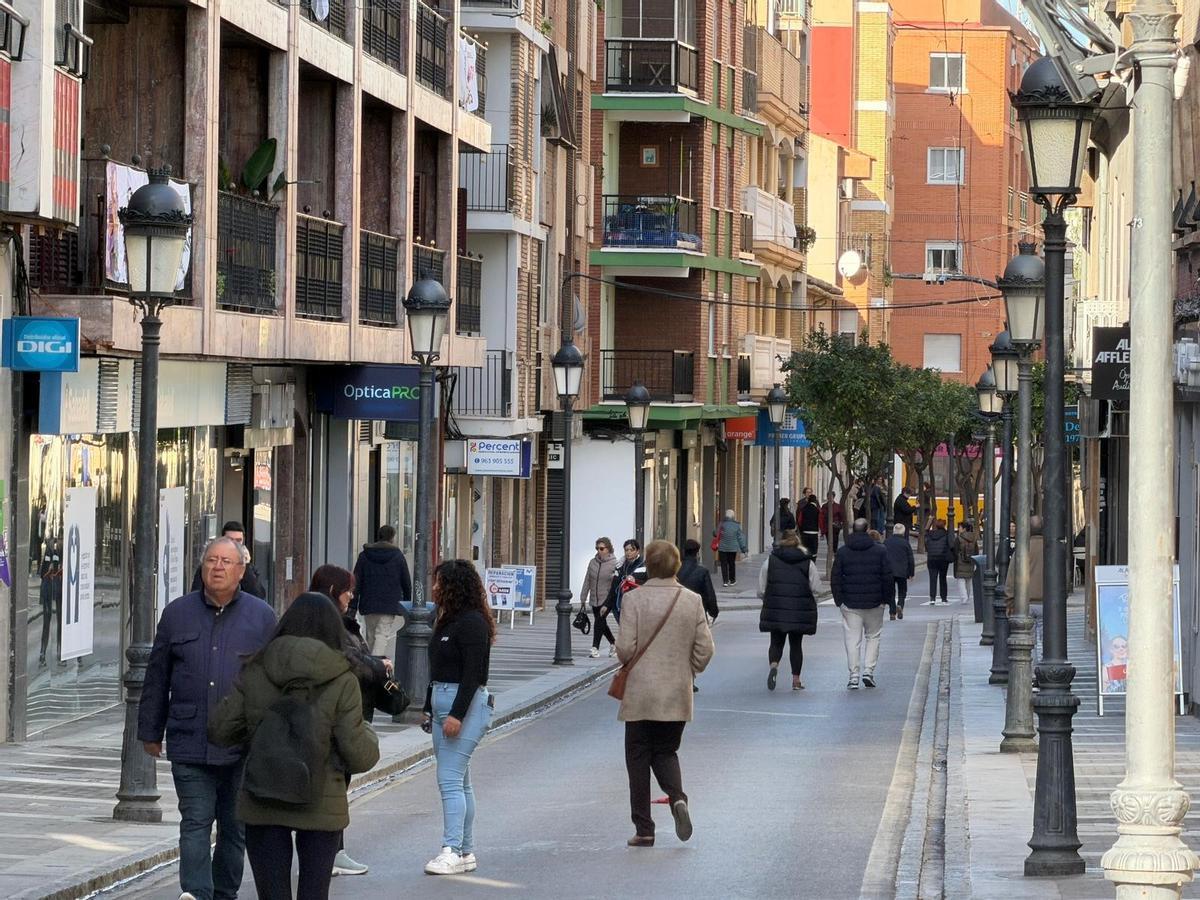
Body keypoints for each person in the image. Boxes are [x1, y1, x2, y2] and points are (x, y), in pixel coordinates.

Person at [208, 593, 380, 900]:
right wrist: (367, 732)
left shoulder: (257, 669)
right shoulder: (343, 678)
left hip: (264, 793)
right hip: (322, 800)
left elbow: (220, 730)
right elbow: (359, 754)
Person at [139, 536, 277, 900]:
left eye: (225, 562)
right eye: (211, 561)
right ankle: (196, 893)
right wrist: (150, 731)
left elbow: (275, 680)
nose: (217, 567)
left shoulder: (262, 617)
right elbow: (157, 676)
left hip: (242, 744)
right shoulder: (177, 613)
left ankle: (223, 892)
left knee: (234, 827)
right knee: (196, 821)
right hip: (190, 737)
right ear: (202, 567)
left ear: (241, 570)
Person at [616, 540, 715, 847]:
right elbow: (705, 649)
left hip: (640, 693)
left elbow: (624, 649)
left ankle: (644, 829)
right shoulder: (692, 600)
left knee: (637, 758)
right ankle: (677, 798)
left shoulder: (634, 600)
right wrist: (689, 669)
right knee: (666, 751)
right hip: (676, 691)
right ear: (676, 566)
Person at [309, 565, 391, 878]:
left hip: (348, 714)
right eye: (347, 590)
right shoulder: (329, 625)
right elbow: (348, 662)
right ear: (333, 591)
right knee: (333, 786)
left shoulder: (341, 622)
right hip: (335, 718)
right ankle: (331, 852)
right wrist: (378, 666)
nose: (351, 595)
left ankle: (332, 850)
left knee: (336, 785)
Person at [421, 560, 497, 876]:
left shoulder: (472, 623)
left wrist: (456, 715)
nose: (434, 587)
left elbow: (473, 675)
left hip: (463, 707)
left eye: (439, 582)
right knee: (460, 781)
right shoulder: (447, 621)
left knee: (449, 780)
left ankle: (450, 849)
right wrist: (428, 707)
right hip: (442, 704)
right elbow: (436, 669)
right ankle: (465, 852)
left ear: (453, 586)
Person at [831, 519, 892, 689]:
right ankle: (869, 671)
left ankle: (853, 675)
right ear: (867, 530)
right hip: (874, 601)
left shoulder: (843, 552)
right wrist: (886, 600)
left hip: (850, 603)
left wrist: (839, 600)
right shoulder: (880, 551)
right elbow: (887, 576)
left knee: (852, 639)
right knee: (873, 636)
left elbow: (835, 577)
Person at [757, 531, 820, 691]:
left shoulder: (770, 560)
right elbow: (816, 587)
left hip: (776, 607)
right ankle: (796, 680)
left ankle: (774, 665)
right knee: (796, 645)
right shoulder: (807, 562)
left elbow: (761, 588)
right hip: (799, 609)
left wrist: (766, 598)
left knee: (776, 642)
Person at [351, 525, 413, 656]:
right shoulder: (397, 556)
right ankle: (377, 665)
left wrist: (353, 605)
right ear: (392, 538)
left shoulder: (364, 556)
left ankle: (370, 664)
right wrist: (406, 604)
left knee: (370, 635)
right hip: (388, 604)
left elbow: (356, 582)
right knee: (381, 635)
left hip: (368, 602)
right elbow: (406, 582)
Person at [189, 521, 268, 600]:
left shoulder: (249, 568)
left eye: (238, 541)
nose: (234, 544)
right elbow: (195, 597)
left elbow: (258, 596)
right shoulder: (209, 566)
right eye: (230, 540)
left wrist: (245, 566)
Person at [1006, 515, 1045, 662]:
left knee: (1029, 642)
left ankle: (1033, 673)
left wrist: (1009, 601)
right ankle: (1045, 671)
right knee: (1048, 641)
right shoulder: (1051, 549)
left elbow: (1011, 577)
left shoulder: (1022, 549)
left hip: (1025, 603)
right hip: (1046, 603)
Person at [580, 537, 620, 658]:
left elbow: (616, 583)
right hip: (594, 598)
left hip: (607, 599)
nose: (599, 551)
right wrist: (583, 597)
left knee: (599, 621)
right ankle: (613, 643)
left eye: (602, 548)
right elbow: (587, 580)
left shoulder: (615, 563)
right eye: (597, 548)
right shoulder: (593, 562)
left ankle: (595, 648)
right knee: (601, 623)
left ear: (608, 549)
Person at [677, 539, 719, 622]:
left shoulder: (674, 570)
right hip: (697, 613)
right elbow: (710, 595)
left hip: (678, 612)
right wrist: (713, 613)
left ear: (683, 552)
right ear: (697, 553)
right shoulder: (703, 572)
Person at [607, 539, 648, 622]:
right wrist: (607, 604)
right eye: (626, 550)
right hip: (619, 603)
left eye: (632, 550)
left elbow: (642, 578)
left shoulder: (643, 564)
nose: (628, 552)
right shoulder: (620, 564)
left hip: (635, 605)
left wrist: (632, 578)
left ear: (637, 551)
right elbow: (614, 585)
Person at [884, 524, 915, 620]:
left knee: (891, 592)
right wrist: (911, 573)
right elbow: (910, 559)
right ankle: (900, 605)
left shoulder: (887, 542)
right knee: (902, 591)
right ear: (903, 532)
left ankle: (892, 612)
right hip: (902, 571)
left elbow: (883, 557)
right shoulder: (905, 543)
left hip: (889, 571)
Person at [38, 554, 63, 667]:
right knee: (47, 625)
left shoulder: (63, 552)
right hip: (50, 592)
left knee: (59, 625)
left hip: (58, 592)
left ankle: (58, 653)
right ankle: (43, 653)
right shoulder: (49, 552)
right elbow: (42, 574)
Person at [713, 512, 747, 587]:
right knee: (732, 564)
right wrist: (744, 549)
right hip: (733, 549)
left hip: (722, 548)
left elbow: (715, 533)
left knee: (723, 564)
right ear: (733, 516)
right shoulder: (737, 525)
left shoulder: (722, 524)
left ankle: (725, 581)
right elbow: (740, 538)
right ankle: (732, 580)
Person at [924, 518, 953, 605]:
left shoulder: (930, 534)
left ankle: (932, 598)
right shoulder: (946, 534)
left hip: (931, 558)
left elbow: (926, 542)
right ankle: (943, 598)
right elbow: (951, 545)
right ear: (944, 525)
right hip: (943, 559)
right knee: (943, 578)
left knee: (932, 578)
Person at [953, 521, 978, 604]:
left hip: (960, 562)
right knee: (968, 579)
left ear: (963, 529)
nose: (958, 529)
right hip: (971, 561)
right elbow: (976, 550)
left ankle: (964, 597)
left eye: (959, 527)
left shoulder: (959, 538)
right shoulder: (973, 538)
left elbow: (955, 551)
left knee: (961, 580)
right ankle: (967, 595)